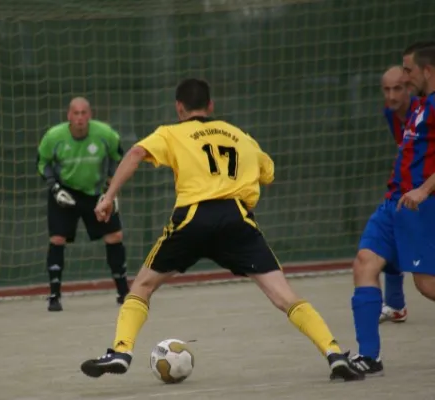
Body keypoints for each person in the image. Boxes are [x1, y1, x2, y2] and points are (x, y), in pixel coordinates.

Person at [79, 78, 364, 381]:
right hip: (236, 218)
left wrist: (108, 197)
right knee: (285, 296)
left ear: (179, 108)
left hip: (193, 218)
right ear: (211, 106)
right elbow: (268, 172)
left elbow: (135, 153)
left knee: (143, 287)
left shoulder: (171, 132)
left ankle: (122, 351)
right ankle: (333, 352)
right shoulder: (239, 135)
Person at [348, 41, 435, 376]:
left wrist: (425, 189)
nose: (404, 75)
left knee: (427, 285)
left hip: (420, 207)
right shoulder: (417, 107)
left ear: (426, 71)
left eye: (408, 70)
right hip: (392, 204)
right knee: (364, 263)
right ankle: (370, 357)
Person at [37, 97, 129, 312]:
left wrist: (110, 185)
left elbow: (119, 158)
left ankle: (124, 293)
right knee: (57, 239)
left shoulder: (106, 134)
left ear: (90, 115)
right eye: (75, 113)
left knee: (115, 236)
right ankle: (54, 295)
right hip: (65, 193)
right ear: (68, 116)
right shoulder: (54, 137)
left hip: (95, 193)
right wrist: (54, 187)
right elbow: (42, 163)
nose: (80, 118)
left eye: (84, 113)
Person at [379, 66, 421, 323]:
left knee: (426, 281)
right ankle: (395, 304)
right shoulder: (390, 113)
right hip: (411, 190)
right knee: (388, 237)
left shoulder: (426, 110)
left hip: (428, 189)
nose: (391, 95)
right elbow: (404, 149)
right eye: (387, 89)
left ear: (409, 88)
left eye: (397, 89)